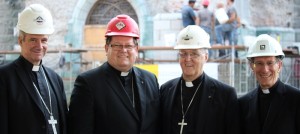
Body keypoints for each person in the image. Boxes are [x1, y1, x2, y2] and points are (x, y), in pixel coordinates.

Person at [68, 14, 160, 134]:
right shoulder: (88, 83)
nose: (123, 50)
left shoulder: (150, 79)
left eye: (128, 45)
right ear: (106, 48)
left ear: (136, 49)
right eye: (117, 45)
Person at [0, 4, 68, 134]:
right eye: (33, 40)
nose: (39, 46)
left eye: (44, 40)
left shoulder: (55, 79)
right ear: (20, 41)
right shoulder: (4, 78)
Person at [160, 25, 239, 134]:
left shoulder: (225, 95)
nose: (187, 59)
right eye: (183, 54)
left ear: (205, 57)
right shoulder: (165, 90)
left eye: (194, 54)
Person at [239, 34, 300, 134]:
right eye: (259, 63)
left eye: (270, 63)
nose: (265, 70)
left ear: (279, 65)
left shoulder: (296, 100)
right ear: (252, 66)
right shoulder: (243, 104)